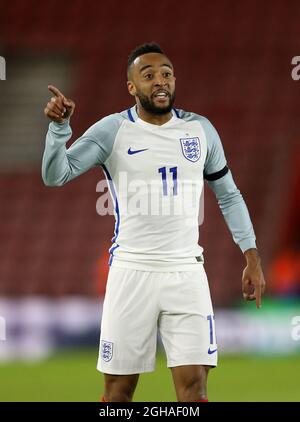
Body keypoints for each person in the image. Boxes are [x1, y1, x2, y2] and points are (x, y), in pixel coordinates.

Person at [42, 43, 266, 402]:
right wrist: (59, 130)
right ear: (132, 87)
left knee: (194, 391)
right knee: (118, 393)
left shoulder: (200, 131)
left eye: (166, 74)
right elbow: (56, 175)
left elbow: (229, 195)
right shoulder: (112, 130)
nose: (159, 82)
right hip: (131, 272)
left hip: (186, 272)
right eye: (148, 76)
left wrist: (251, 256)